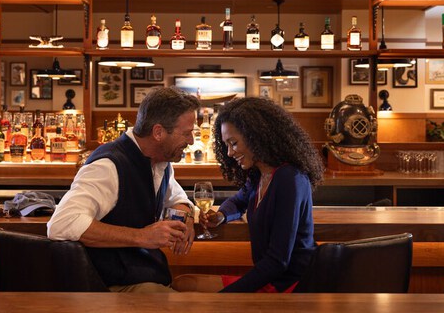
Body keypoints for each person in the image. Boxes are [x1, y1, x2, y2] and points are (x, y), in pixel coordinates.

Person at [47, 87, 200, 292]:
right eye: (187, 133)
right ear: (158, 132)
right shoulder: (108, 165)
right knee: (192, 307)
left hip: (146, 278)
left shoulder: (160, 161)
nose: (191, 141)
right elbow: (63, 223)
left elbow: (176, 197)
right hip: (110, 287)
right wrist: (142, 236)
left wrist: (186, 215)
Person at [173, 97, 325, 293]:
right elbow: (238, 201)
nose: (229, 153)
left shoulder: (290, 179)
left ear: (257, 136)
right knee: (183, 283)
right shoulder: (259, 174)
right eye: (226, 145)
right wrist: (221, 215)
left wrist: (225, 297)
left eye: (233, 143)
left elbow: (278, 261)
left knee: (188, 288)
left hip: (289, 284)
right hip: (270, 277)